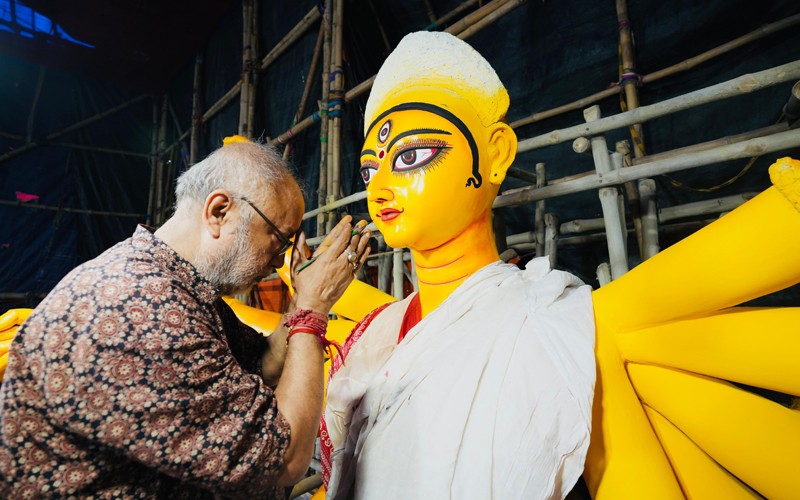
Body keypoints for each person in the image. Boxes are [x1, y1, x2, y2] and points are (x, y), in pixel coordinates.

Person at [0, 139, 371, 497]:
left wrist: (296, 310)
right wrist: (312, 310)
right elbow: (286, 457)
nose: (278, 262)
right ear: (219, 211)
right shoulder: (143, 307)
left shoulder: (175, 283)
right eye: (277, 240)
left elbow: (261, 365)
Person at [320, 32, 596, 499]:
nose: (379, 187)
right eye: (370, 169)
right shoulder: (374, 330)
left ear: (495, 155)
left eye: (410, 156)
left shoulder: (551, 321)